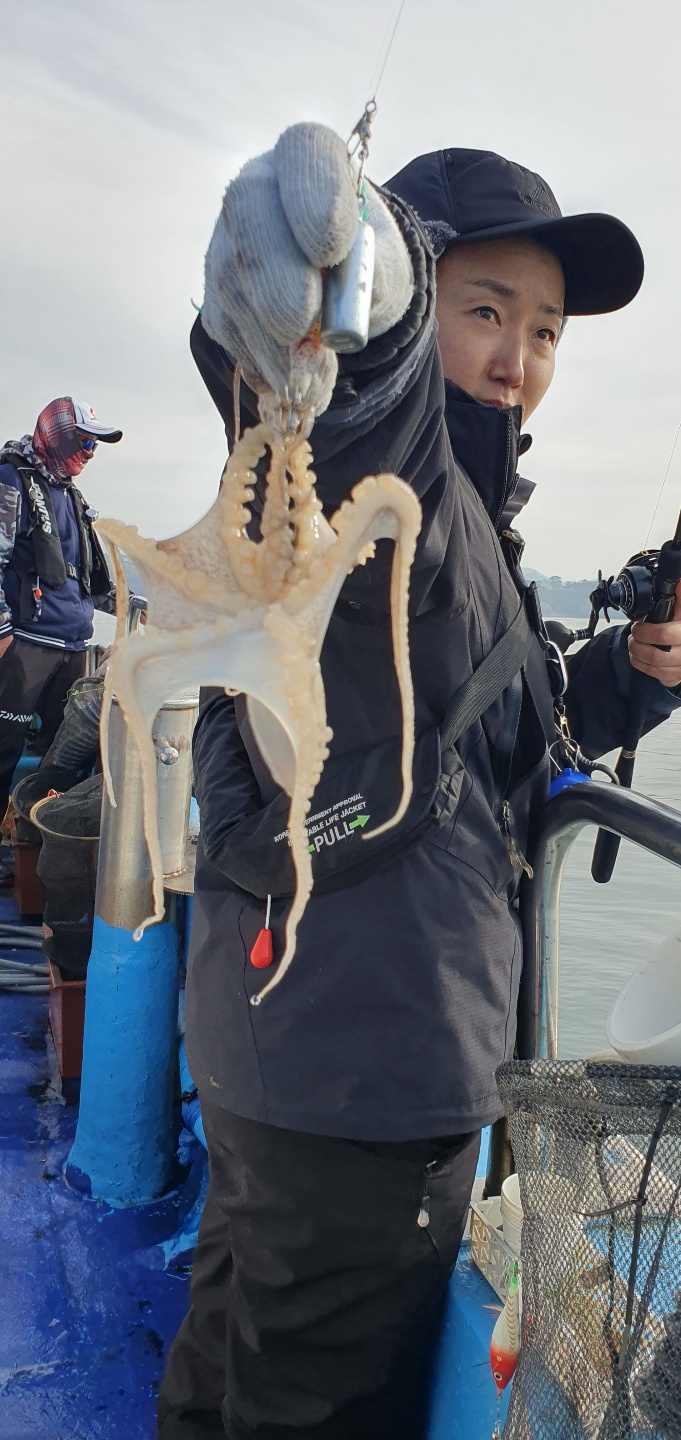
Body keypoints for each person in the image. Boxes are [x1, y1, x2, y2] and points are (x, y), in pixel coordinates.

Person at [158, 130, 681, 1440]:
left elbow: (489, 728)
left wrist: (632, 673)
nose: (519, 359)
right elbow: (343, 412)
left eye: (546, 330)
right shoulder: (401, 491)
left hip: (280, 1044)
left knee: (228, 1344)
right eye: (484, 311)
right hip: (367, 1078)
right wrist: (360, 299)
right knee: (309, 1401)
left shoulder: (476, 535)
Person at [0, 397, 122, 823]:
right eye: (84, 442)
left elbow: (85, 579)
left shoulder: (71, 496)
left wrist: (135, 610)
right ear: (58, 437)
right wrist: (3, 634)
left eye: (95, 445)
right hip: (25, 649)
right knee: (4, 748)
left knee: (64, 755)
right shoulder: (12, 481)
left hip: (72, 649)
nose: (90, 453)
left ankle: (41, 840)